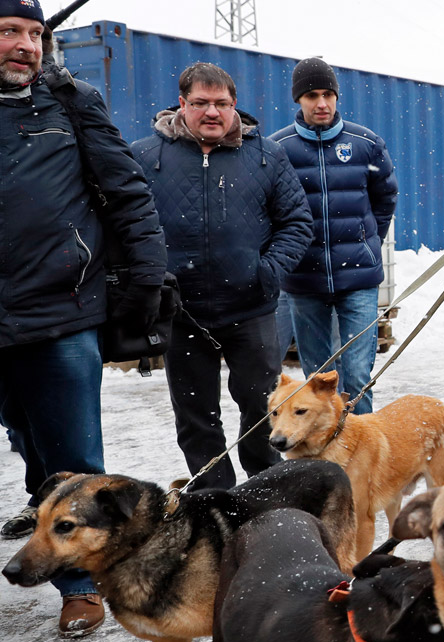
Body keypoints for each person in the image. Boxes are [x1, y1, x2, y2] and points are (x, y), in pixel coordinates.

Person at [0, 0, 165, 637]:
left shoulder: (70, 103)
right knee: (30, 441)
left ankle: (79, 583)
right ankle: (44, 521)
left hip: (61, 307)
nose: (27, 46)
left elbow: (126, 190)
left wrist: (147, 275)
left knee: (73, 455)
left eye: (35, 34)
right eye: (11, 32)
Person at [132, 62, 312, 490]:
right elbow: (124, 225)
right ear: (182, 104)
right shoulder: (144, 156)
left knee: (259, 404)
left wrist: (268, 272)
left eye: (221, 104)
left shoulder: (267, 155)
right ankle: (215, 494)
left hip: (250, 309)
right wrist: (150, 280)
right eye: (200, 103)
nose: (211, 112)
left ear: (234, 106)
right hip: (182, 313)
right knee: (196, 413)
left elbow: (297, 221)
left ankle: (264, 485)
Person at [272, 58, 398, 414]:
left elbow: (385, 197)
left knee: (357, 376)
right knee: (320, 380)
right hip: (304, 280)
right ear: (299, 99)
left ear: (337, 96)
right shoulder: (277, 149)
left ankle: (363, 457)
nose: (321, 103)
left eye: (328, 94)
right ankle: (328, 461)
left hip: (358, 279)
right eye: (312, 95)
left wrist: (365, 240)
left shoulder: (365, 143)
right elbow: (268, 210)